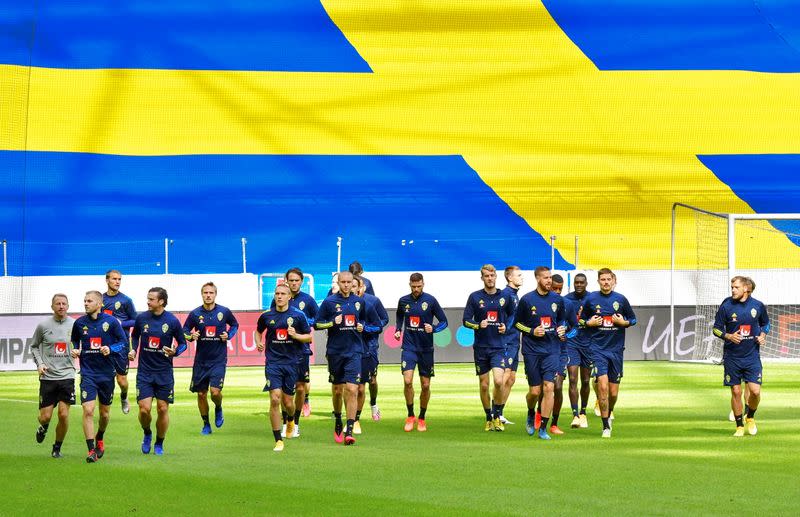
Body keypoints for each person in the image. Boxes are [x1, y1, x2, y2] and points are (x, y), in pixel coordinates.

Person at [70, 291, 128, 463]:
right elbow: (74, 340)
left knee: (104, 414)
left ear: (99, 303)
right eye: (84, 300)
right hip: (88, 373)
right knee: (88, 410)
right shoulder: (79, 323)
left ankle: (100, 437)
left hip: (106, 374)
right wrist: (75, 349)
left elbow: (123, 342)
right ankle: (91, 451)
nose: (86, 303)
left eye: (89, 301)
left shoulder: (111, 322)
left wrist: (110, 348)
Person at [579, 268, 636, 438]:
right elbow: (580, 320)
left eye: (608, 279)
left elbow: (633, 319)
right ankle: (605, 426)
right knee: (602, 386)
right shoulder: (591, 299)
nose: (605, 282)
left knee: (613, 393)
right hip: (597, 350)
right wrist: (588, 323)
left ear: (613, 281)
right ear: (598, 281)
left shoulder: (621, 299)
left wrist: (623, 322)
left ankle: (609, 411)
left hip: (616, 351)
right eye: (602, 279)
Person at [130, 287, 188, 455]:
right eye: (147, 298)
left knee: (162, 409)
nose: (148, 302)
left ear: (161, 301)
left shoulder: (172, 321)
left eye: (151, 299)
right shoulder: (142, 318)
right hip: (145, 372)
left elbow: (183, 343)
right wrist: (134, 349)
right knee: (144, 409)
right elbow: (135, 336)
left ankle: (159, 443)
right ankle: (147, 432)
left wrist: (175, 352)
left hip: (164, 372)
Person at [256, 284, 313, 452]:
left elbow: (309, 337)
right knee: (275, 398)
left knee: (288, 402)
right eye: (277, 293)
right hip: (273, 362)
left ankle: (291, 419)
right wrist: (258, 342)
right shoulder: (267, 316)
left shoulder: (298, 315)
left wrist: (295, 335)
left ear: (289, 297)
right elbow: (258, 331)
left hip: (292, 363)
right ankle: (278, 440)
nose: (279, 296)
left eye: (283, 294)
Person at [514, 267, 567, 440]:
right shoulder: (527, 299)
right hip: (532, 351)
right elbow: (516, 324)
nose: (549, 281)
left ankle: (543, 427)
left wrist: (562, 329)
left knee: (549, 387)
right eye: (545, 278)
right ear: (537, 278)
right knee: (535, 392)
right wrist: (531, 331)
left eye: (550, 277)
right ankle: (530, 412)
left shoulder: (557, 300)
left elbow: (562, 321)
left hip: (552, 350)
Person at [713, 276, 768, 437]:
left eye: (736, 287)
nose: (732, 290)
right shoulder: (726, 306)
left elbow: (766, 323)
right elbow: (715, 329)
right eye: (732, 287)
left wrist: (763, 335)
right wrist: (728, 336)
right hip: (732, 357)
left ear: (746, 288)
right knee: (736, 392)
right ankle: (739, 427)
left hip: (752, 356)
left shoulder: (757, 306)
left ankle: (750, 416)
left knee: (755, 392)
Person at [315, 271, 366, 445]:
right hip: (335, 352)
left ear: (353, 283)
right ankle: (338, 419)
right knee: (337, 390)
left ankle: (349, 430)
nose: (345, 285)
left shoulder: (359, 302)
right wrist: (332, 323)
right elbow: (317, 324)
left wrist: (362, 326)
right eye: (342, 282)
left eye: (348, 282)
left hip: (355, 351)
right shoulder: (329, 302)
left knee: (352, 389)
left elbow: (367, 321)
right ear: (338, 282)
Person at [183, 282, 239, 435]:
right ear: (202, 294)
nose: (208, 295)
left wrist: (229, 335)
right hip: (201, 361)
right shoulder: (195, 314)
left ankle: (218, 408)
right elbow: (185, 330)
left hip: (218, 360)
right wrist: (190, 336)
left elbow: (235, 325)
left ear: (215, 294)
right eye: (205, 293)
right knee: (201, 394)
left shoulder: (224, 312)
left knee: (215, 392)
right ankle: (206, 423)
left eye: (211, 293)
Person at [463, 264, 514, 431]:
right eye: (486, 276)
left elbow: (514, 314)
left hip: (498, 346)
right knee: (484, 384)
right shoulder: (475, 297)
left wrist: (506, 326)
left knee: (499, 381)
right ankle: (488, 417)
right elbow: (466, 320)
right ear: (482, 278)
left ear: (496, 276)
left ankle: (497, 414)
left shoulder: (505, 296)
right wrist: (478, 325)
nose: (490, 278)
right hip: (481, 347)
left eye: (492, 275)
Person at [395, 273, 448, 432]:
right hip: (409, 347)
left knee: (425, 385)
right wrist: (398, 329)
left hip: (426, 349)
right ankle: (410, 415)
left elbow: (444, 321)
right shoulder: (403, 301)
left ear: (423, 284)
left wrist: (434, 329)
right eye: (413, 286)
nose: (416, 289)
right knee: (408, 381)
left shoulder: (430, 300)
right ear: (409, 284)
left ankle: (422, 417)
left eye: (419, 286)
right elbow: (399, 315)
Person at [272, 267, 318, 437]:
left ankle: (295, 423)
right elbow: (272, 320)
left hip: (301, 350)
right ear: (286, 281)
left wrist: (303, 322)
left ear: (301, 282)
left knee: (300, 388)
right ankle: (286, 421)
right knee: (284, 390)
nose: (293, 283)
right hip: (282, 352)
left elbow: (319, 320)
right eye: (290, 280)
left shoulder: (308, 300)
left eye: (296, 280)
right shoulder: (278, 297)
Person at [31, 294, 76, 458]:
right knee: (45, 417)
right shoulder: (43, 326)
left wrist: (78, 351)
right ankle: (43, 426)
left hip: (67, 375)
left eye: (64, 303)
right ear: (52, 307)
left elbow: (81, 344)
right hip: (48, 377)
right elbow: (34, 347)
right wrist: (40, 364)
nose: (61, 306)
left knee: (63, 415)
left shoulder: (75, 325)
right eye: (58, 303)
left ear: (68, 306)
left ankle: (57, 447)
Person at [353, 275, 389, 434]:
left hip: (370, 347)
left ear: (361, 287)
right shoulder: (342, 303)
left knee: (372, 381)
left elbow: (383, 321)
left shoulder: (372, 302)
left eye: (355, 285)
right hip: (351, 349)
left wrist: (366, 328)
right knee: (357, 387)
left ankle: (373, 404)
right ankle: (354, 419)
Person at [102, 270, 137, 414]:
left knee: (121, 380)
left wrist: (120, 323)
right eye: (114, 279)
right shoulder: (100, 299)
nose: (117, 282)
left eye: (119, 279)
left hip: (121, 345)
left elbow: (136, 320)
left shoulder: (126, 300)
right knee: (104, 378)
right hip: (104, 345)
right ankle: (103, 407)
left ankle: (124, 396)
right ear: (107, 280)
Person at [564, 273, 592, 428]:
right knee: (573, 379)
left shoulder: (593, 299)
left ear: (586, 283)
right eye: (576, 283)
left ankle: (583, 412)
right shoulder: (567, 300)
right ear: (573, 283)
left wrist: (585, 321)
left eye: (581, 282)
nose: (579, 285)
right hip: (572, 344)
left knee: (586, 380)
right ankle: (575, 415)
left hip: (588, 344)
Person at [498, 266, 523, 425]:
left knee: (511, 378)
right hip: (506, 341)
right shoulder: (506, 295)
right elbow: (499, 314)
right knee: (505, 375)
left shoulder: (515, 295)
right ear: (510, 278)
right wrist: (504, 328)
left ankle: (500, 412)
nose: (522, 278)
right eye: (519, 275)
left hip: (515, 341)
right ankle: (495, 412)